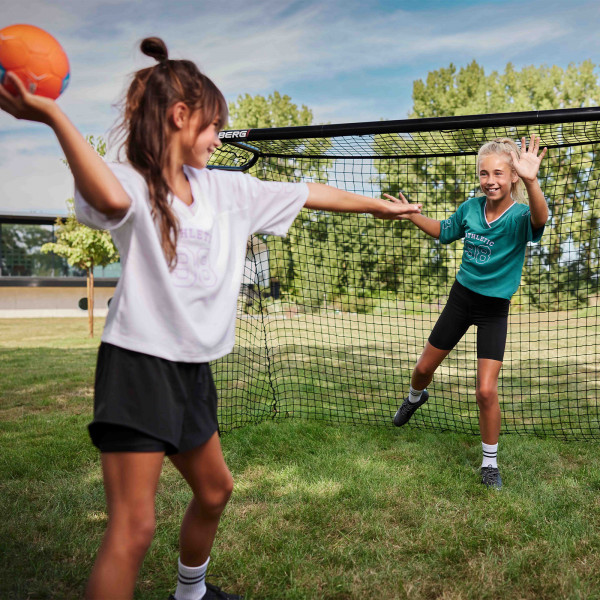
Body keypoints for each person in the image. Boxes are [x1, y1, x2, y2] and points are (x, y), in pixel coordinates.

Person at [0, 37, 421, 600]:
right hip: (138, 367)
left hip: (192, 371)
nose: (220, 138)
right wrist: (53, 116)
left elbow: (308, 192)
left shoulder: (228, 190)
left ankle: (191, 593)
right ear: (180, 116)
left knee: (216, 490)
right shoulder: (130, 180)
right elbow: (110, 200)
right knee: (135, 526)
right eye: (214, 126)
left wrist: (378, 205)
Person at [386, 135, 547, 490]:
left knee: (486, 391)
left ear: (514, 176)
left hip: (494, 309)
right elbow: (444, 232)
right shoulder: (471, 209)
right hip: (461, 299)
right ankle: (415, 397)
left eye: (499, 173)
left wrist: (534, 181)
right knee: (424, 368)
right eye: (484, 173)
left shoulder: (521, 215)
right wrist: (412, 214)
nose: (490, 180)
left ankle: (489, 464)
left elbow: (540, 218)